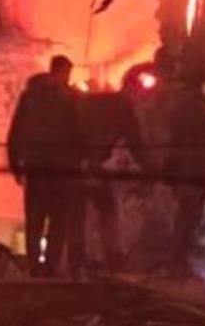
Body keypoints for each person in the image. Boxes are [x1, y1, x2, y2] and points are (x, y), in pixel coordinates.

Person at [69, 70, 153, 275]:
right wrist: (149, 167)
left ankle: (76, 260)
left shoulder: (95, 102)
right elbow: (134, 140)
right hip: (95, 164)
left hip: (77, 162)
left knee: (79, 213)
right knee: (106, 212)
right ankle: (111, 257)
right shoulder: (123, 107)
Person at [7, 55, 80, 277]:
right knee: (58, 221)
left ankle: (34, 268)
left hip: (35, 169)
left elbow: (15, 133)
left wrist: (16, 166)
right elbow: (78, 134)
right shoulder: (69, 98)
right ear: (62, 72)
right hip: (60, 171)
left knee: (35, 221)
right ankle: (50, 268)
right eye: (67, 74)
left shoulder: (30, 97)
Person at [165, 55, 205, 279]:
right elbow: (203, 133)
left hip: (188, 166)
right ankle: (178, 264)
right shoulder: (194, 103)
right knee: (188, 216)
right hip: (192, 168)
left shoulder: (181, 102)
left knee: (186, 216)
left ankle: (179, 262)